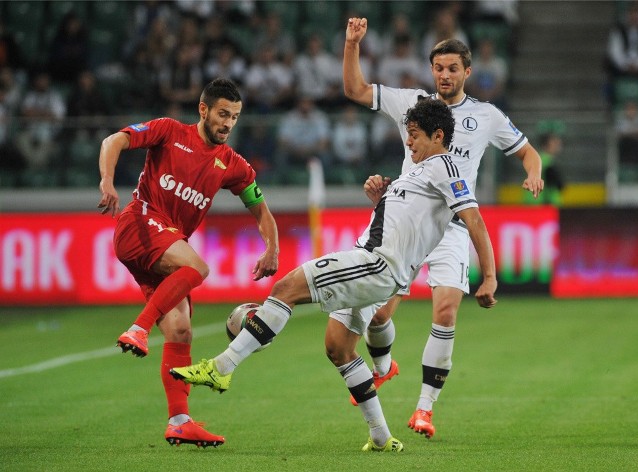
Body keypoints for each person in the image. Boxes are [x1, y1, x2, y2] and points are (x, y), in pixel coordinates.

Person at [169, 98, 498, 452]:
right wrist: (382, 200)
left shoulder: (446, 167)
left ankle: (222, 366)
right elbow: (411, 220)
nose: (408, 142)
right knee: (338, 348)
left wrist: (490, 276)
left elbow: (474, 220)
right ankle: (381, 437)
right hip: (379, 265)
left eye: (414, 135)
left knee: (286, 287)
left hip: (375, 264)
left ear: (437, 135)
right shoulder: (420, 170)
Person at [343, 18, 544, 439]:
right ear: (432, 70)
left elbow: (529, 153)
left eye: (453, 68)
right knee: (378, 315)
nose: (445, 75)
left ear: (467, 72)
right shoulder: (412, 103)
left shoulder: (486, 115)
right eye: (439, 68)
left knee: (446, 311)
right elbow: (356, 90)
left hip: (451, 226)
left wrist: (533, 174)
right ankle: (384, 366)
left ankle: (424, 410)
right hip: (407, 222)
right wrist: (352, 44)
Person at [97, 78, 280, 448]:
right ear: (204, 110)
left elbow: (260, 208)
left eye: (235, 117)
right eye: (223, 114)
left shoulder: (230, 163)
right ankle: (139, 328)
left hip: (163, 248)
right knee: (198, 268)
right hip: (138, 223)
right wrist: (106, 181)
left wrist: (272, 247)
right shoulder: (168, 131)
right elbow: (112, 140)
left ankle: (179, 420)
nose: (228, 123)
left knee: (181, 330)